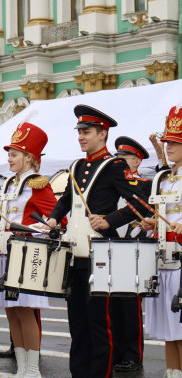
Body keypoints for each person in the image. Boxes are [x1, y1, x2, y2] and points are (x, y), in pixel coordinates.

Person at [46, 105, 150, 378]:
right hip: (75, 254)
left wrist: (110, 220)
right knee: (77, 323)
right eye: (79, 131)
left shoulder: (114, 165)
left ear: (102, 135)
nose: (81, 137)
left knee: (98, 324)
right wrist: (54, 219)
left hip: (100, 255)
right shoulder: (77, 166)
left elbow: (141, 203)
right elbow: (66, 199)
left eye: (86, 132)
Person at [0, 122, 60, 377]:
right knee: (12, 311)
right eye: (9, 154)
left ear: (29, 157)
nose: (9, 158)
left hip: (27, 257)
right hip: (6, 255)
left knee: (26, 311)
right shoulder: (9, 184)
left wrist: (22, 230)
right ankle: (21, 365)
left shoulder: (38, 184)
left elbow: (55, 222)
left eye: (14, 154)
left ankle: (32, 368)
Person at [141, 105, 182, 378]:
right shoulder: (163, 179)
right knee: (170, 328)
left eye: (175, 142)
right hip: (164, 259)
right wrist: (152, 223)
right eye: (167, 142)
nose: (168, 147)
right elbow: (159, 215)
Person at [110, 136, 151, 373]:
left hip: (135, 244)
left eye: (124, 157)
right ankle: (117, 351)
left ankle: (133, 355)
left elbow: (141, 207)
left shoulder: (144, 184)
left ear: (136, 161)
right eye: (117, 157)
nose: (119, 161)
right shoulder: (114, 182)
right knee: (112, 303)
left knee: (130, 305)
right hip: (113, 244)